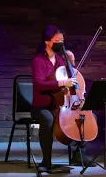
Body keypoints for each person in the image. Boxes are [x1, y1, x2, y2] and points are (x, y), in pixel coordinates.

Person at [31, 25, 96, 173]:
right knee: (47, 120)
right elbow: (39, 84)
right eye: (57, 40)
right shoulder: (38, 61)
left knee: (88, 117)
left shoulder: (60, 60)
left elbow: (70, 78)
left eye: (62, 40)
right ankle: (46, 161)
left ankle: (79, 155)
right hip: (42, 105)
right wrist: (61, 83)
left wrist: (70, 63)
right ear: (48, 42)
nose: (61, 42)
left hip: (61, 104)